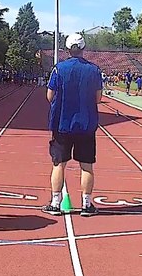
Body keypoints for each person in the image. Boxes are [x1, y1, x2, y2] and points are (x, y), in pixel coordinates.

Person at [41, 33, 103, 217]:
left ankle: (55, 203)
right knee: (87, 165)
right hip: (86, 124)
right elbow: (98, 98)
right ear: (83, 48)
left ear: (67, 49)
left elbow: (49, 96)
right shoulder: (94, 70)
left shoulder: (59, 69)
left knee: (59, 164)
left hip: (62, 124)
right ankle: (86, 204)